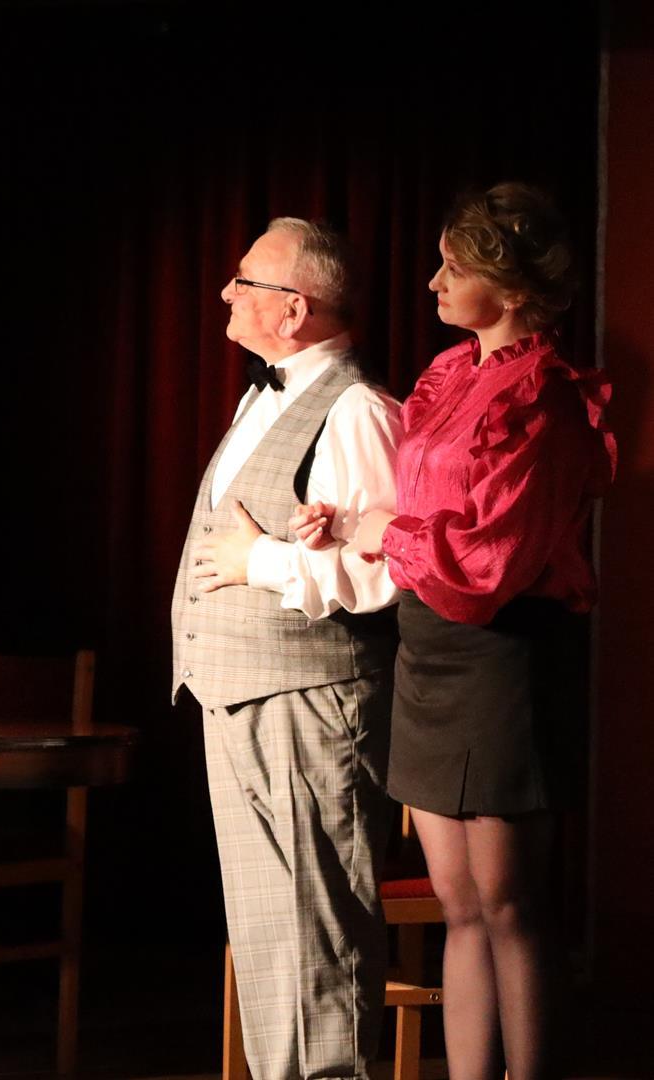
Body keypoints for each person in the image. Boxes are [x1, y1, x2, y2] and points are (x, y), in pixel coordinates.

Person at [295, 183, 613, 1080]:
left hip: (502, 650)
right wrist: (346, 522)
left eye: (453, 267)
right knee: (459, 904)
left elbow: (487, 562)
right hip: (429, 645)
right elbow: (421, 509)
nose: (433, 282)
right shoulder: (449, 374)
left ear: (508, 288)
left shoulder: (542, 398)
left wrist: (382, 533)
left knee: (511, 905)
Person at [171, 218, 403, 1079]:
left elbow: (388, 573)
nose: (226, 293)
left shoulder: (358, 410)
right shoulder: (259, 398)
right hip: (240, 691)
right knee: (273, 939)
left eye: (244, 281)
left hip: (310, 698)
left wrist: (260, 561)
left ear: (294, 309)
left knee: (317, 939)